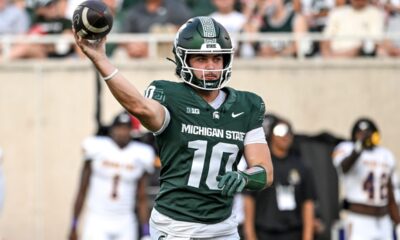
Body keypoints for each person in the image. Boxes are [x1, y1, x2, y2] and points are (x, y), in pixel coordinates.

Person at [73, 16, 273, 239]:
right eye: (201, 59)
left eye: (218, 58)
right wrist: (101, 59)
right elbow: (139, 107)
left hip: (223, 227)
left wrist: (245, 177)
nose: (211, 67)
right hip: (176, 226)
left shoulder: (247, 105)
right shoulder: (169, 95)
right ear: (182, 59)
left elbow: (265, 171)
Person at [68, 112, 156, 240]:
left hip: (125, 221)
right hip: (97, 219)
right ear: (112, 129)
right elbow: (82, 190)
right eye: (119, 127)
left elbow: (142, 197)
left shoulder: (140, 154)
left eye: (126, 128)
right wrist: (74, 225)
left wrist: (145, 231)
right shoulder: (97, 148)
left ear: (131, 131)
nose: (122, 132)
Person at [243, 115, 317, 240]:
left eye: (289, 132)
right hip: (264, 233)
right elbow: (249, 201)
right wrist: (250, 236)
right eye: (281, 131)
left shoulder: (302, 166)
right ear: (272, 134)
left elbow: (308, 203)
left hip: (293, 233)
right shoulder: (259, 165)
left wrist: (307, 236)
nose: (285, 136)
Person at [332, 117, 400, 240]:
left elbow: (390, 191)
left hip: (383, 220)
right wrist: (359, 148)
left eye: (368, 133)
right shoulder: (347, 148)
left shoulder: (385, 154)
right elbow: (344, 167)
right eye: (361, 133)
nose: (365, 137)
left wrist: (398, 221)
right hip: (359, 220)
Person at [121, 0, 192, 58]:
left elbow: (189, 29)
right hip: (140, 55)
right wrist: (133, 46)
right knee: (121, 54)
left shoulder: (176, 7)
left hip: (169, 53)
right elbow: (123, 38)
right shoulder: (134, 11)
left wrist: (167, 31)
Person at [320, 0, 385, 58]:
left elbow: (375, 42)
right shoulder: (336, 13)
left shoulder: (375, 13)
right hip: (334, 60)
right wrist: (328, 59)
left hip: (360, 60)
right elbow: (325, 40)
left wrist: (346, 55)